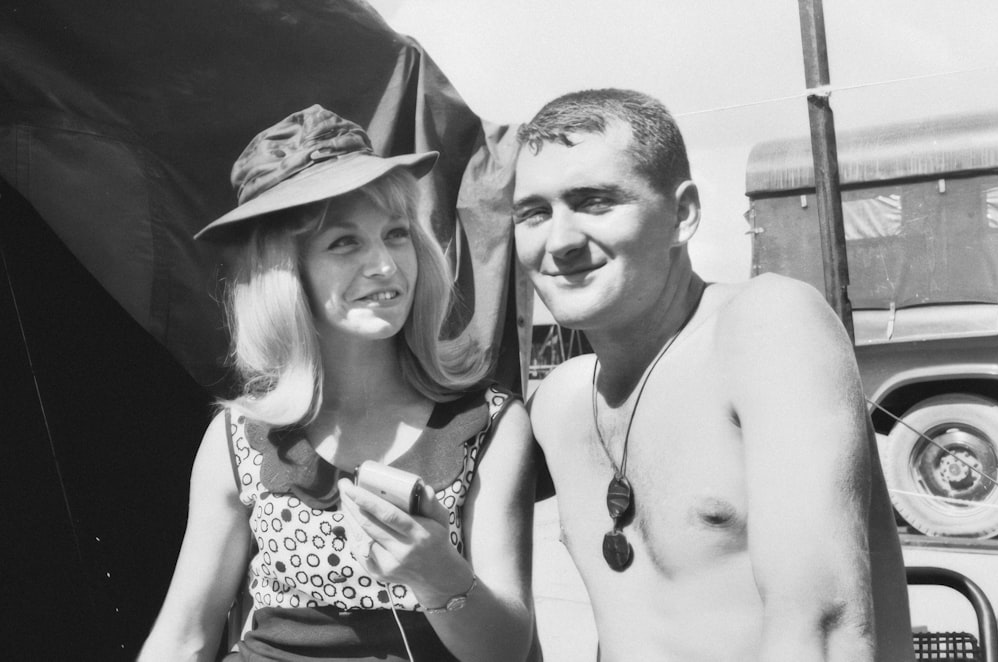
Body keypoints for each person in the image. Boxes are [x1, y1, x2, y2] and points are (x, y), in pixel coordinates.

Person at [512, 88, 914, 661]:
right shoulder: (561, 402)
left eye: (596, 202)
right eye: (533, 213)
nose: (561, 241)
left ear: (683, 213)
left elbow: (822, 628)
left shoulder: (763, 326)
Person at [139, 105, 537, 662]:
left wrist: (439, 578)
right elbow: (185, 635)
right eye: (344, 243)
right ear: (286, 271)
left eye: (396, 234)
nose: (384, 266)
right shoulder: (239, 437)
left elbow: (507, 650)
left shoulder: (489, 423)